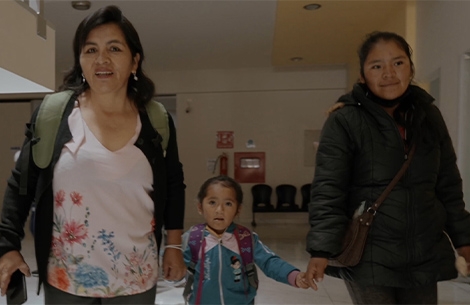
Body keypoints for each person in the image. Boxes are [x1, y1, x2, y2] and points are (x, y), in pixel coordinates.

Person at [0, 5, 186, 304]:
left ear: (134, 61)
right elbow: (21, 182)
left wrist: (174, 246)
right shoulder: (54, 114)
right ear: (80, 61)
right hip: (65, 275)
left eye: (114, 48)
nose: (102, 59)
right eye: (90, 50)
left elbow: (174, 184)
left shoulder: (155, 120)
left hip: (136, 274)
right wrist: (6, 244)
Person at [305, 31, 470, 304]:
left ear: (411, 68)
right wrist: (321, 250)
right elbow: (328, 189)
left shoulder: (428, 116)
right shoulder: (344, 120)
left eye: (398, 62)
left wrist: (464, 239)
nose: (388, 73)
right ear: (362, 75)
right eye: (376, 66)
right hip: (369, 252)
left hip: (422, 250)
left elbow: (448, 184)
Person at [183, 175, 310, 304]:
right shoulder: (192, 238)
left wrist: (294, 276)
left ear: (238, 210)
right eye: (212, 202)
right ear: (200, 207)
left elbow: (269, 261)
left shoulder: (246, 238)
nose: (219, 210)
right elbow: (176, 265)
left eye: (228, 204)